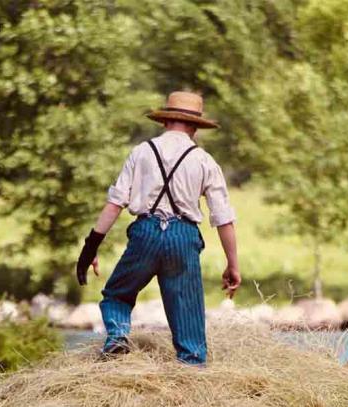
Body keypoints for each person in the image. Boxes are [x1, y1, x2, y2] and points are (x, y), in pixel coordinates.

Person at [76, 90, 241, 365]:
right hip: (183, 237)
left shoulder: (141, 152)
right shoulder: (204, 161)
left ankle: (117, 337)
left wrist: (90, 248)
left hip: (145, 233)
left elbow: (115, 204)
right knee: (187, 312)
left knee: (117, 294)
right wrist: (232, 264)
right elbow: (223, 218)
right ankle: (191, 363)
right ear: (196, 128)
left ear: (165, 121)